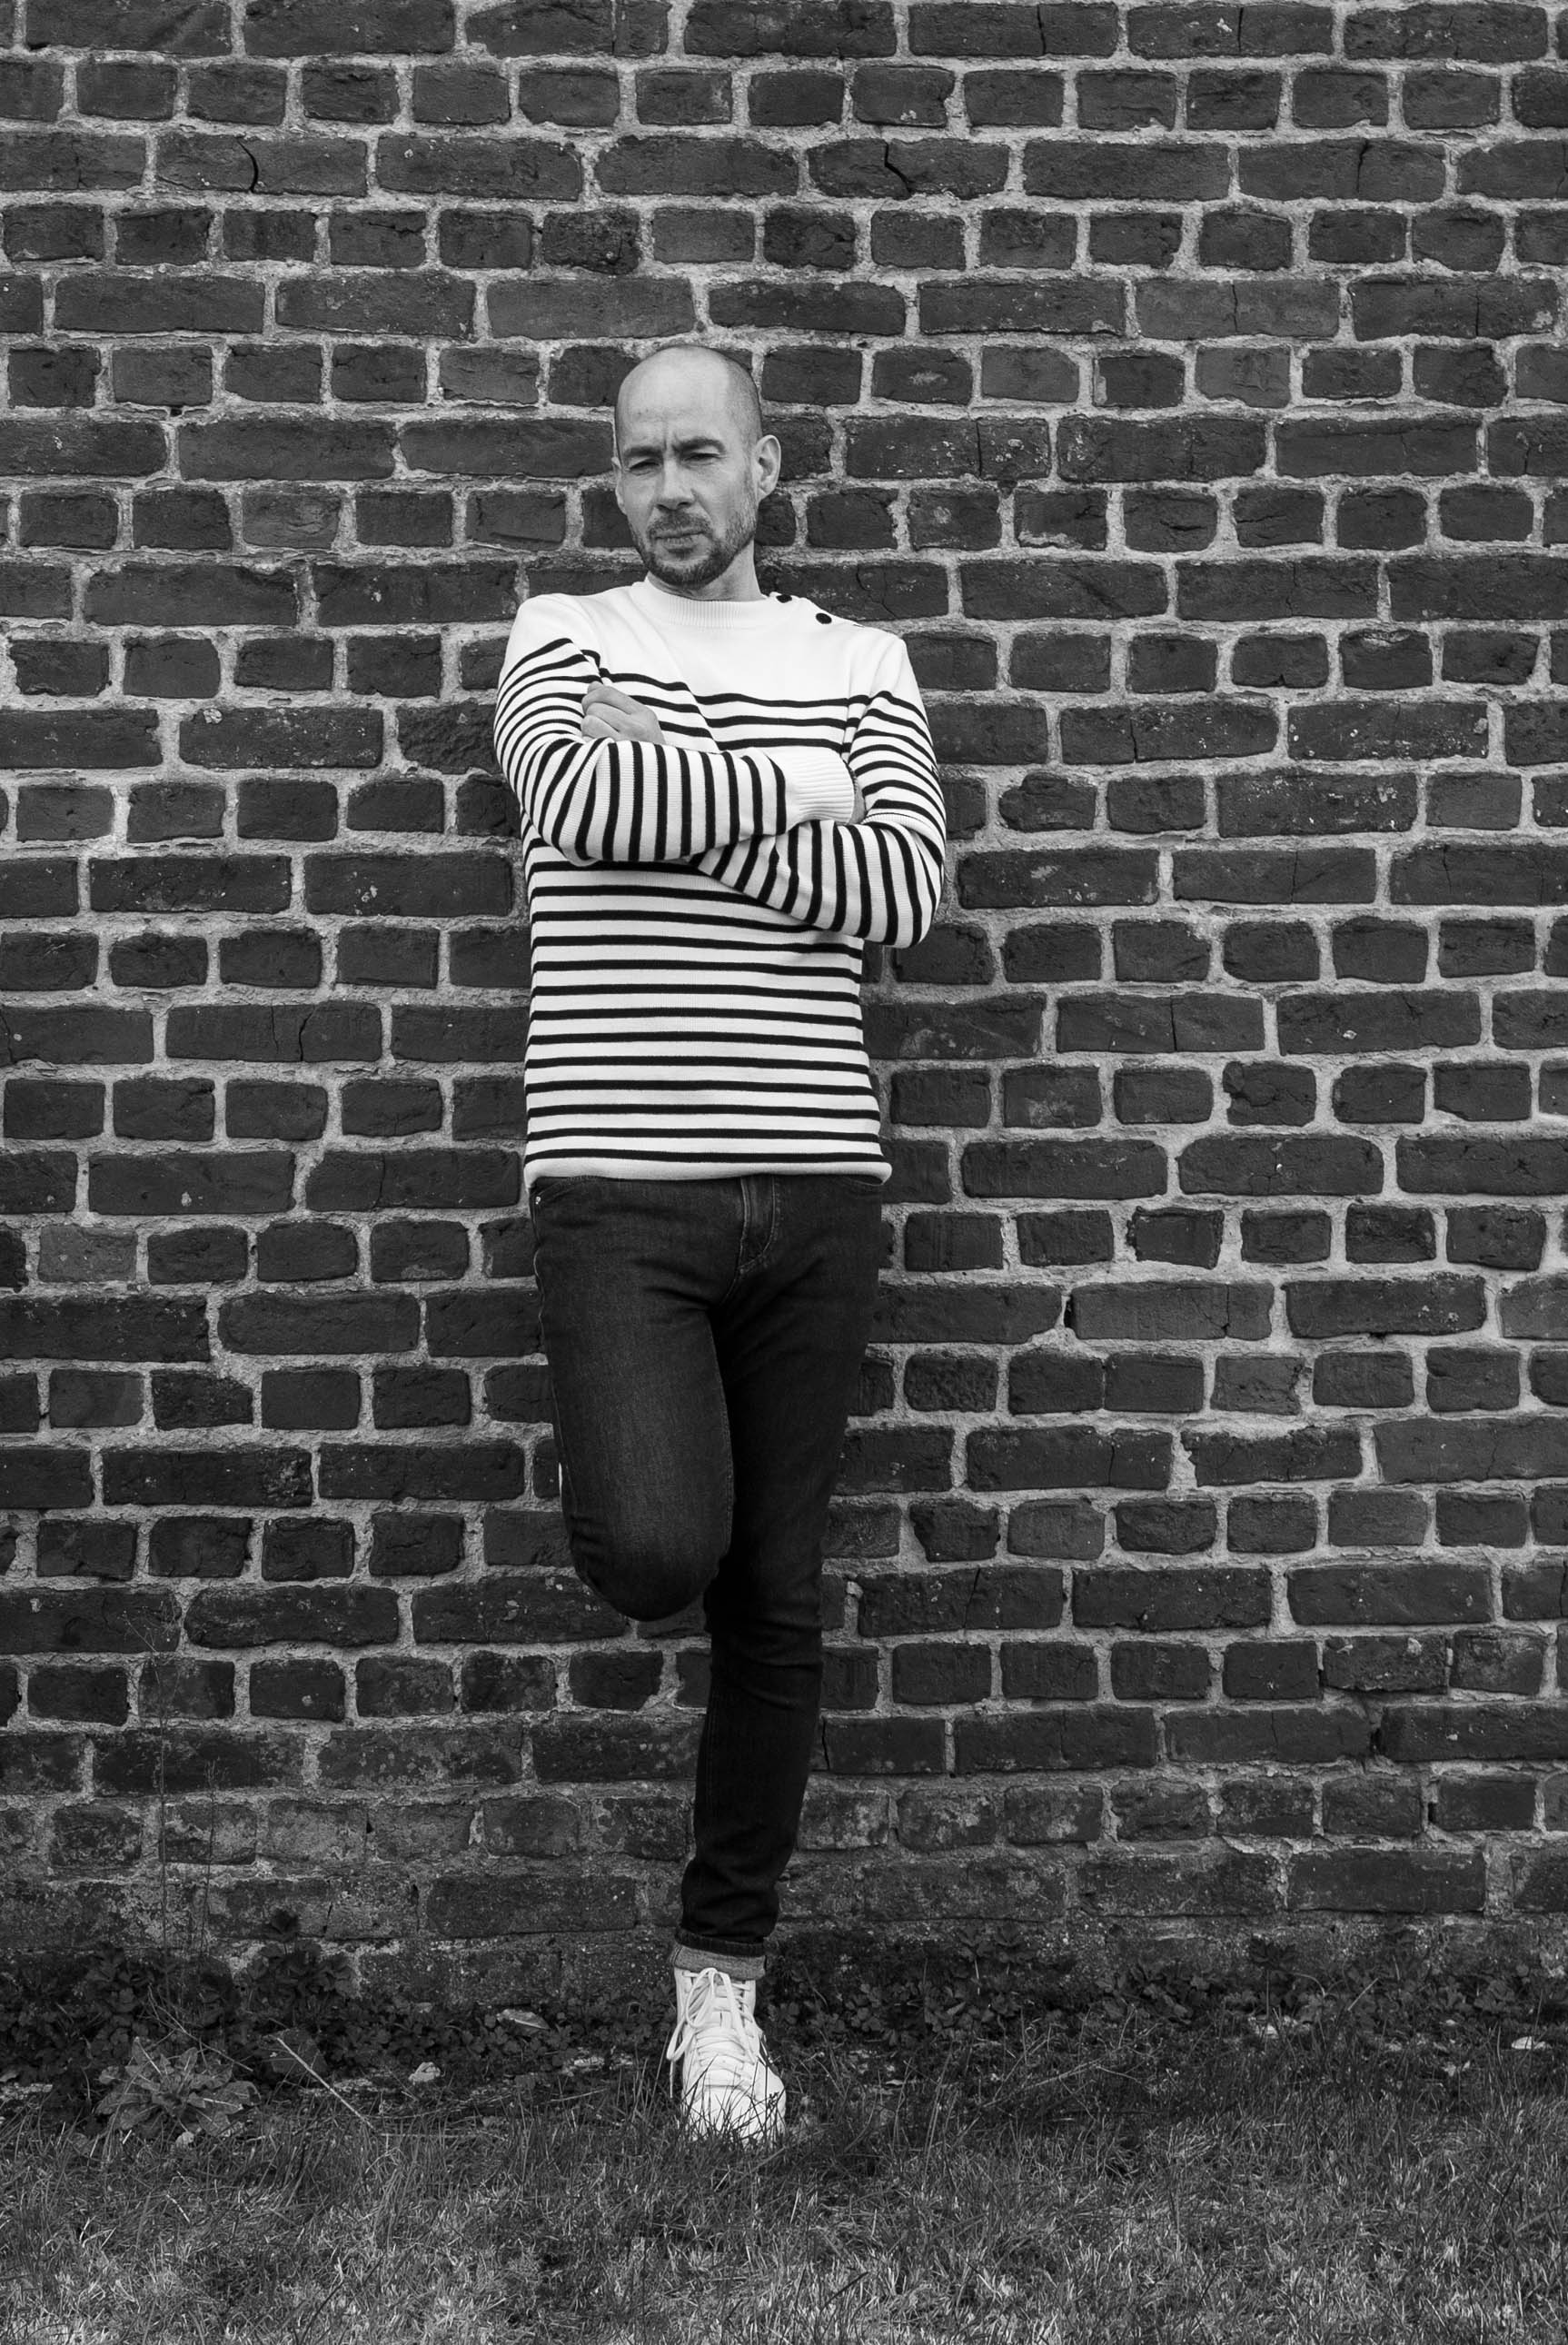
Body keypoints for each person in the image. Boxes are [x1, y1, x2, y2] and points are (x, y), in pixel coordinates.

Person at [492, 345, 950, 2142]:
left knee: (775, 1598)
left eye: (700, 454)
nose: (668, 488)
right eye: (638, 461)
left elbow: (905, 890)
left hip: (817, 1181)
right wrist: (804, 796)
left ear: (765, 466)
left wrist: (684, 779)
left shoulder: (861, 659)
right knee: (655, 1547)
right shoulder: (562, 635)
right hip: (620, 1185)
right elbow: (571, 802)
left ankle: (719, 1989)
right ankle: (714, 1989)